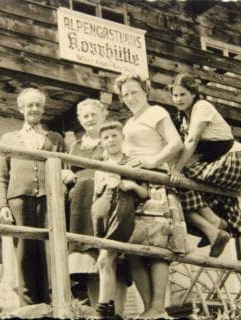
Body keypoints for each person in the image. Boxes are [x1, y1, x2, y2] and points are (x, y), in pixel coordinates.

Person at [114, 73, 184, 319]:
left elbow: (176, 143)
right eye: (125, 95)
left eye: (134, 92)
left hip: (154, 183)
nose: (130, 98)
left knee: (157, 248)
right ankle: (148, 309)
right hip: (135, 186)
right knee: (133, 248)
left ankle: (158, 307)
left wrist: (152, 162)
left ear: (145, 90)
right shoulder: (129, 124)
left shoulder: (157, 113)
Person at [0, 88, 65, 306]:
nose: (34, 109)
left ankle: (53, 304)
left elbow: (66, 171)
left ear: (43, 109)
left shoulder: (54, 138)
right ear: (21, 108)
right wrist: (2, 206)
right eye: (29, 105)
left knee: (50, 250)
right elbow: (1, 176)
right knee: (24, 251)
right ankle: (28, 306)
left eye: (38, 105)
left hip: (49, 200)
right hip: (18, 201)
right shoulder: (8, 138)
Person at [168, 74, 241, 257]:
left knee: (180, 182)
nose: (178, 99)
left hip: (230, 160)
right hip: (214, 162)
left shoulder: (202, 107)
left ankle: (214, 222)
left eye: (183, 94)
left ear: (194, 93)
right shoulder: (183, 116)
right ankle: (214, 230)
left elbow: (193, 140)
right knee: (176, 194)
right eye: (175, 95)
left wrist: (176, 170)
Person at [61, 99, 128, 314]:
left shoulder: (109, 140)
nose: (90, 119)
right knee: (89, 263)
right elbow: (67, 170)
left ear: (103, 115)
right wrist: (67, 174)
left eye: (93, 115)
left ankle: (117, 312)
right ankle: (100, 314)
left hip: (105, 202)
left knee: (110, 256)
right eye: (85, 116)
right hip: (80, 208)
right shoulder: (75, 146)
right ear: (80, 121)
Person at [91, 121, 149, 318]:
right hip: (101, 213)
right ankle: (110, 311)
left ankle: (101, 310)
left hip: (121, 211)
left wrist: (130, 185)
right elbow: (96, 194)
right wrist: (100, 188)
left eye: (114, 135)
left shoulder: (132, 163)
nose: (110, 140)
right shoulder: (100, 165)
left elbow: (145, 193)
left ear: (122, 137)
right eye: (106, 138)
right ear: (101, 142)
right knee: (109, 260)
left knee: (104, 259)